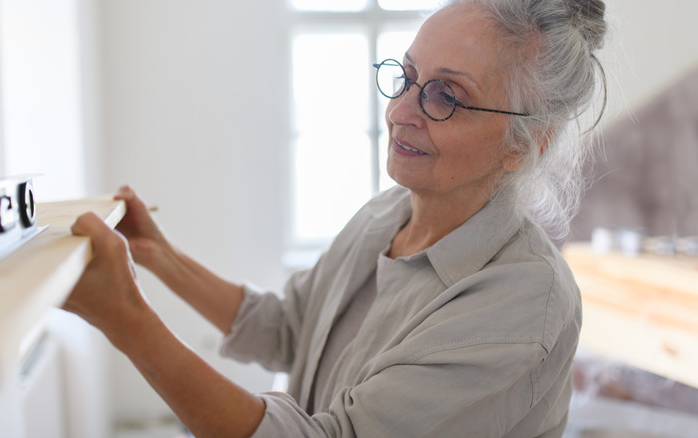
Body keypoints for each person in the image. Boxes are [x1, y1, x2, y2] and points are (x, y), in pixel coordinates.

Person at [63, 0, 608, 436]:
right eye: (407, 76)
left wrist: (127, 321)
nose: (399, 112)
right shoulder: (385, 214)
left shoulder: (522, 301)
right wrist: (159, 258)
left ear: (525, 144)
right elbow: (286, 327)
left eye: (446, 96)